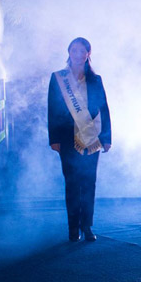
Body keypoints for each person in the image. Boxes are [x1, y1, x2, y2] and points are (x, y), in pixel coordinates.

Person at [48, 37, 111, 242]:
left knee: (89, 183)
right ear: (69, 52)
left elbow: (104, 108)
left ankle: (87, 226)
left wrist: (107, 137)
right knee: (72, 184)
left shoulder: (96, 79)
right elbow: (52, 109)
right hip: (67, 138)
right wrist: (54, 138)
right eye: (74, 50)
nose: (77, 54)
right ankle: (73, 228)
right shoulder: (58, 78)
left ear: (88, 54)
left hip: (92, 137)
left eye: (82, 51)